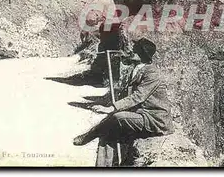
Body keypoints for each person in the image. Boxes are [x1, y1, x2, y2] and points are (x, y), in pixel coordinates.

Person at [73, 38, 174, 166]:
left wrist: (112, 108)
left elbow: (138, 97)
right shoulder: (138, 68)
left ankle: (89, 135)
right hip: (140, 114)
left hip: (154, 119)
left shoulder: (152, 73)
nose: (132, 51)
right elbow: (127, 87)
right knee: (108, 132)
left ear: (142, 55)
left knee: (116, 117)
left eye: (135, 51)